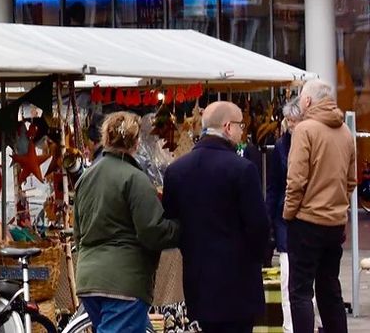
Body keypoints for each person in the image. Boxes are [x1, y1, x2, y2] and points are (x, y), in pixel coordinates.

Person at [163, 101, 269, 333]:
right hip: (238, 281)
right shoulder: (242, 169)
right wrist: (259, 256)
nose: (243, 131)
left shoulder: (176, 171)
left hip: (197, 278)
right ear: (228, 127)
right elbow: (259, 226)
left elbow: (172, 221)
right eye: (241, 125)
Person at [76, 112, 179, 333]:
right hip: (124, 281)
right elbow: (153, 231)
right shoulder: (135, 178)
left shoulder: (86, 177)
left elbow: (78, 230)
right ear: (137, 141)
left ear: (105, 138)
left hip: (88, 278)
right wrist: (181, 228)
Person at [284, 79, 357, 333]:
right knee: (329, 288)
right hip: (334, 223)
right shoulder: (345, 132)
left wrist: (288, 214)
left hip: (307, 220)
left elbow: (296, 181)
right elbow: (351, 180)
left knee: (301, 291)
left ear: (307, 101)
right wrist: (340, 208)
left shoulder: (305, 130)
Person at [266, 98, 304, 333]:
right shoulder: (281, 146)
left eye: (294, 120)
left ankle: (305, 322)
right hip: (284, 216)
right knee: (288, 274)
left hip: (307, 216)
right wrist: (267, 219)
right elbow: (273, 186)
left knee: (306, 274)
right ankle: (289, 326)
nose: (290, 124)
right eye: (288, 120)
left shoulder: (312, 142)